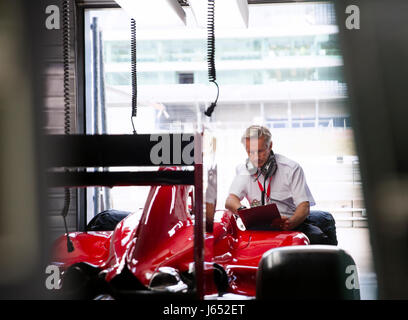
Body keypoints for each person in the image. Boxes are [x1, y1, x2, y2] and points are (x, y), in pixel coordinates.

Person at [225, 125, 337, 245]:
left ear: (270, 146)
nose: (255, 157)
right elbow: (230, 200)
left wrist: (290, 223)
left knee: (317, 239)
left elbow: (304, 206)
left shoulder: (291, 168)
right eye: (250, 152)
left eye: (260, 151)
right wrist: (244, 211)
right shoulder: (243, 170)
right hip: (259, 227)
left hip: (289, 224)